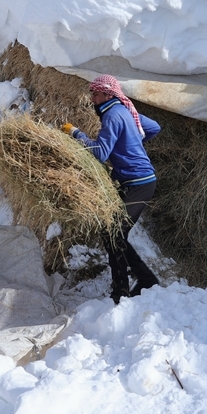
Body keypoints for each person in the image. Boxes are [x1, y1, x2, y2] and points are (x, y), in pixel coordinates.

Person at [62, 75, 161, 303]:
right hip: (135, 181)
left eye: (95, 94)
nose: (92, 99)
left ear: (108, 94)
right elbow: (154, 127)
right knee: (112, 233)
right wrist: (132, 143)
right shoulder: (125, 111)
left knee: (114, 233)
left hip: (140, 183)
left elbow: (100, 153)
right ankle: (143, 280)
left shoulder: (112, 115)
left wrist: (77, 134)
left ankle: (124, 291)